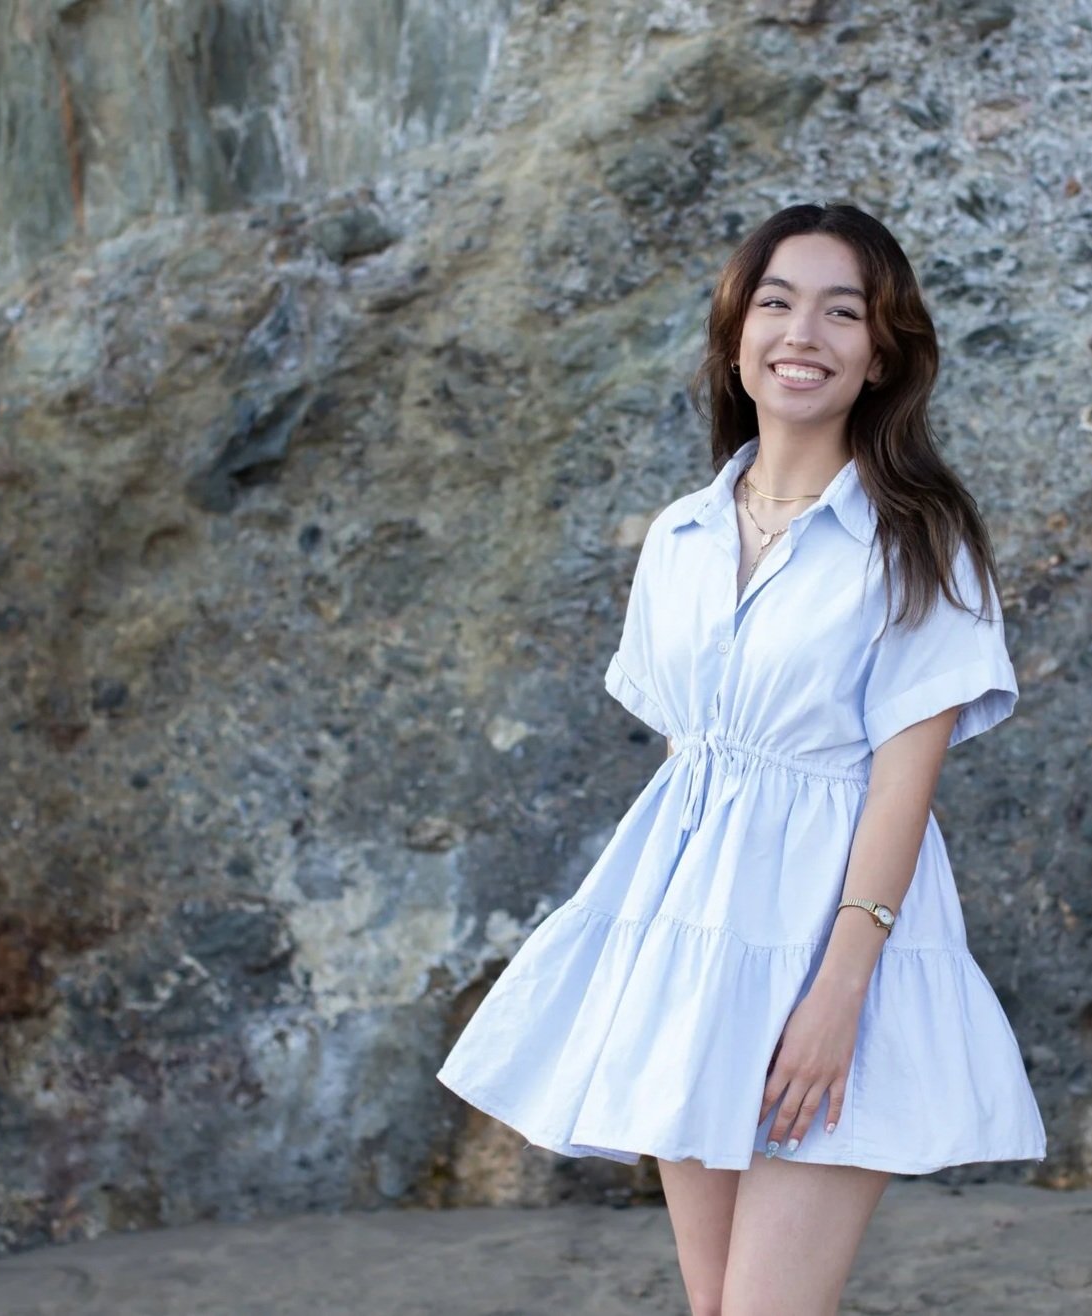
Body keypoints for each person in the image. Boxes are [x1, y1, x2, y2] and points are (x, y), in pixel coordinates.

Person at [436, 201, 1045, 1315]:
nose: (802, 333)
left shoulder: (919, 539)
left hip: (836, 953)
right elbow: (695, 770)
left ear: (880, 355)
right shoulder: (681, 537)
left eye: (841, 312)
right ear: (734, 335)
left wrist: (839, 993)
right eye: (776, 303)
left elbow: (904, 784)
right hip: (698, 956)